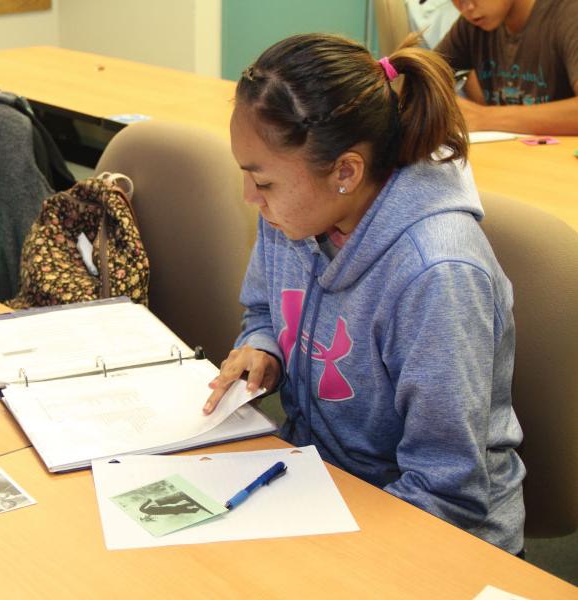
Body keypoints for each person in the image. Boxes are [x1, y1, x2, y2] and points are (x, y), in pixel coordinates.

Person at [203, 33, 525, 555]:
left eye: (262, 182)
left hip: (437, 538)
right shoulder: (293, 214)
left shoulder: (437, 274)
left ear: (346, 172)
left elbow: (447, 489)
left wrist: (326, 555)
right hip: (318, 486)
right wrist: (263, 346)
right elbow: (263, 308)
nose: (249, 197)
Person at [434, 0, 578, 134]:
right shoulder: (472, 25)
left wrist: (484, 118)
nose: (467, 7)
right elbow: (421, 79)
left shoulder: (569, 13)